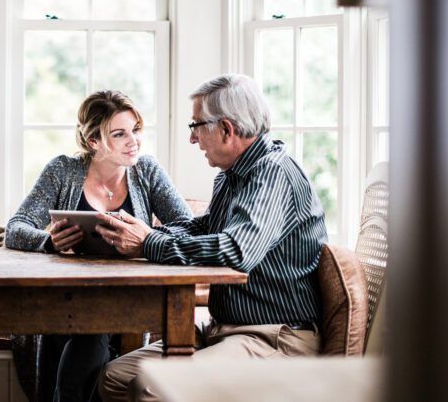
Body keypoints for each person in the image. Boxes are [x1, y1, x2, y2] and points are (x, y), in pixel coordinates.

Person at [94, 74, 328, 402]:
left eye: (196, 126)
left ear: (227, 129)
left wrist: (148, 243)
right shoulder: (230, 177)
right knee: (115, 377)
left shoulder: (273, 174)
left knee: (154, 387)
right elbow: (206, 228)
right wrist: (142, 234)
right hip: (225, 329)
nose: (193, 139)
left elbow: (236, 251)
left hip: (275, 337)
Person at [6, 90, 193, 402]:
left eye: (135, 130)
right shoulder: (62, 171)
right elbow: (15, 228)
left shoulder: (147, 171)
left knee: (94, 328)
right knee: (89, 333)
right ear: (93, 140)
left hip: (125, 301)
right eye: (119, 134)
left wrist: (147, 237)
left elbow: (188, 229)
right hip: (64, 300)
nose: (133, 141)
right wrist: (48, 242)